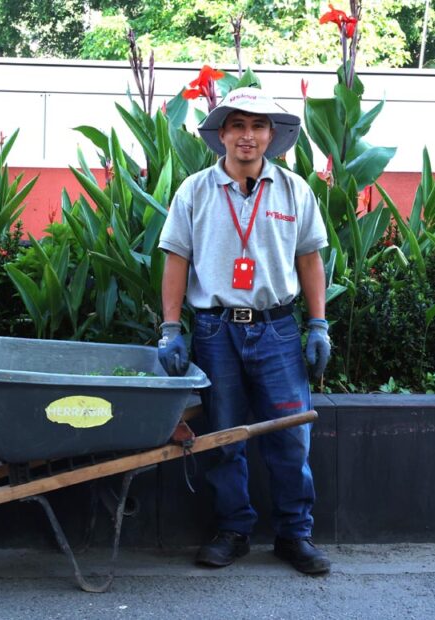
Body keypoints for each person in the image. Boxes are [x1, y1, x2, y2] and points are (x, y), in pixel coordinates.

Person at [156, 87, 332, 574]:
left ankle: (295, 535)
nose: (247, 136)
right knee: (223, 438)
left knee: (291, 436)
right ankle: (233, 530)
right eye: (237, 125)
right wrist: (171, 329)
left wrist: (318, 325)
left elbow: (310, 260)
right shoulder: (194, 190)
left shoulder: (296, 190)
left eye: (257, 126)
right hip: (215, 332)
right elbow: (176, 261)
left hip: (277, 329)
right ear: (222, 135)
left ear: (271, 135)